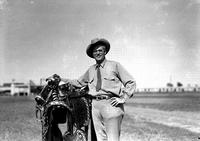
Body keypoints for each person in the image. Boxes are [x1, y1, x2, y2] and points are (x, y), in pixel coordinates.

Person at [61, 38, 136, 141]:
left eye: (100, 50)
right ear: (92, 54)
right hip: (95, 107)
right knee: (100, 139)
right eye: (95, 51)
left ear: (105, 52)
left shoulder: (114, 65)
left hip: (111, 105)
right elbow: (78, 82)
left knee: (113, 139)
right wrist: (61, 79)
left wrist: (123, 97)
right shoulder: (91, 70)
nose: (98, 53)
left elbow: (130, 82)